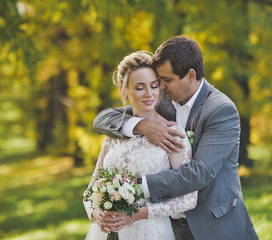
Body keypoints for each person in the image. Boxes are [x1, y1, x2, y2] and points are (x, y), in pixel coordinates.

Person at [93, 36, 259, 240]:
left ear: (190, 76)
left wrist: (133, 186)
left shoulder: (220, 110)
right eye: (158, 81)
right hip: (169, 228)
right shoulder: (163, 100)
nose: (159, 88)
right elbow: (104, 118)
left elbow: (199, 172)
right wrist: (142, 126)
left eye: (166, 80)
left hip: (214, 226)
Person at [83, 50, 197, 240]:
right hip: (108, 233)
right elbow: (90, 189)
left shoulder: (172, 133)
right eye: (139, 87)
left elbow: (189, 199)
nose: (149, 94)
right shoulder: (115, 135)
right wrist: (96, 214)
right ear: (123, 91)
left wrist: (140, 213)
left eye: (154, 86)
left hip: (151, 232)